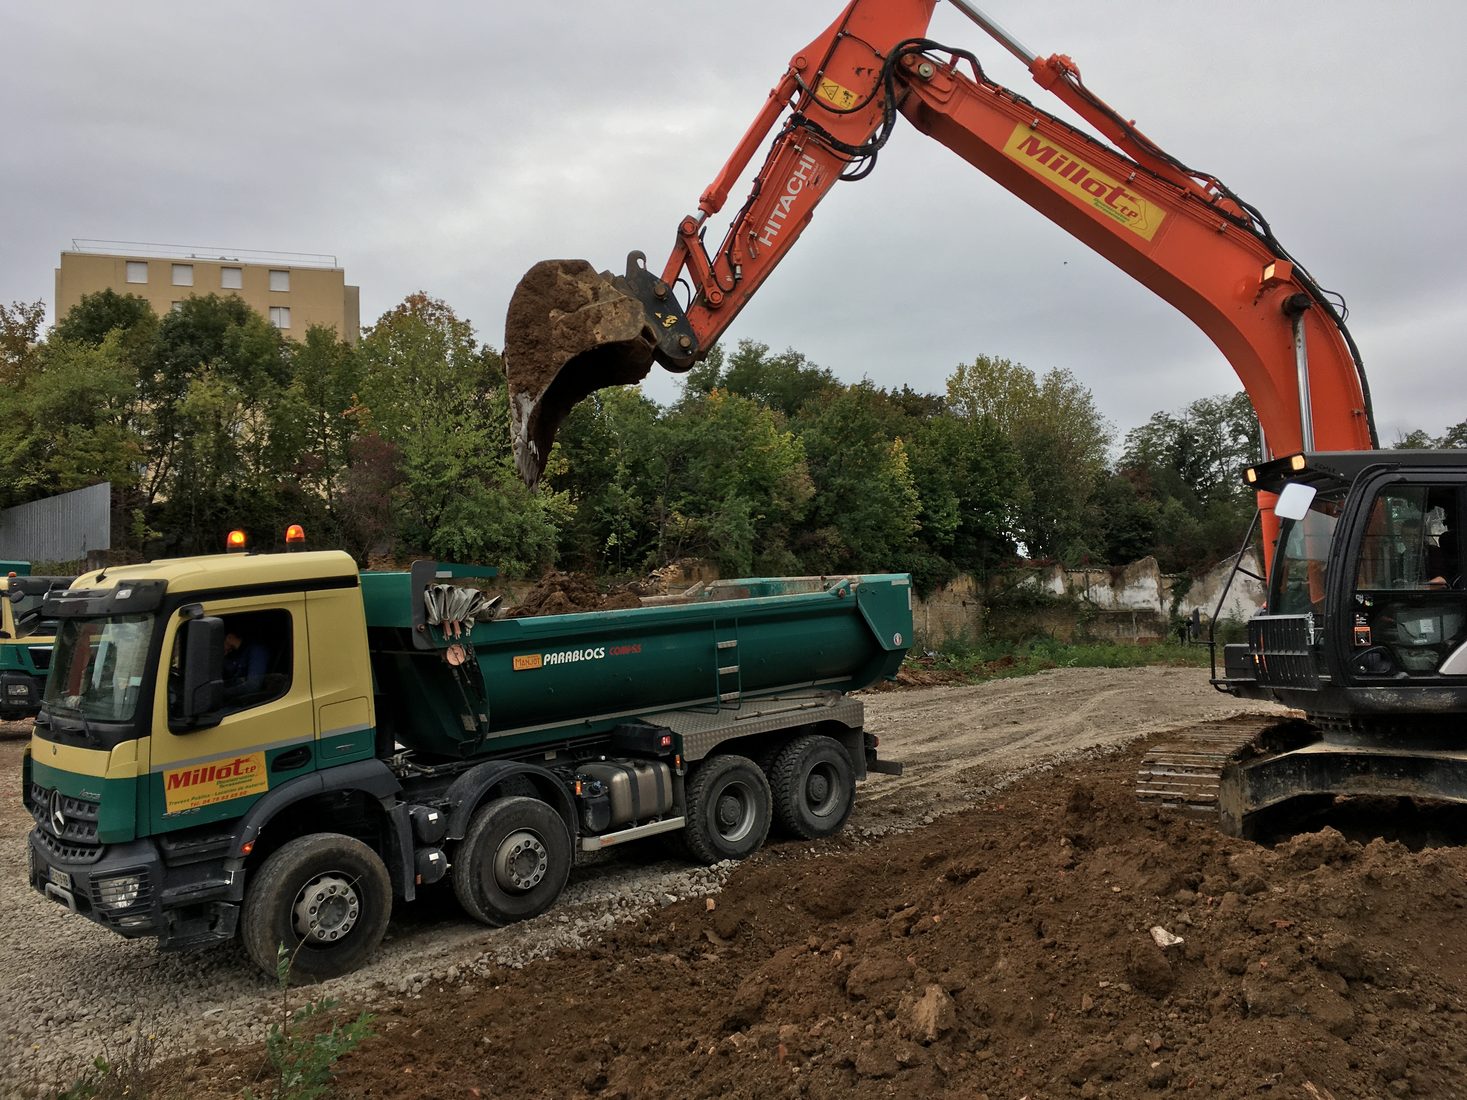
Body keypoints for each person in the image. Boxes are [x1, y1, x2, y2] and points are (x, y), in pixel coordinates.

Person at [222, 628, 270, 700]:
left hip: (247, 701)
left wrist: (223, 693)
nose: (225, 652)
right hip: (233, 698)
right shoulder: (232, 653)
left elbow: (253, 686)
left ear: (229, 637)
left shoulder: (256, 650)